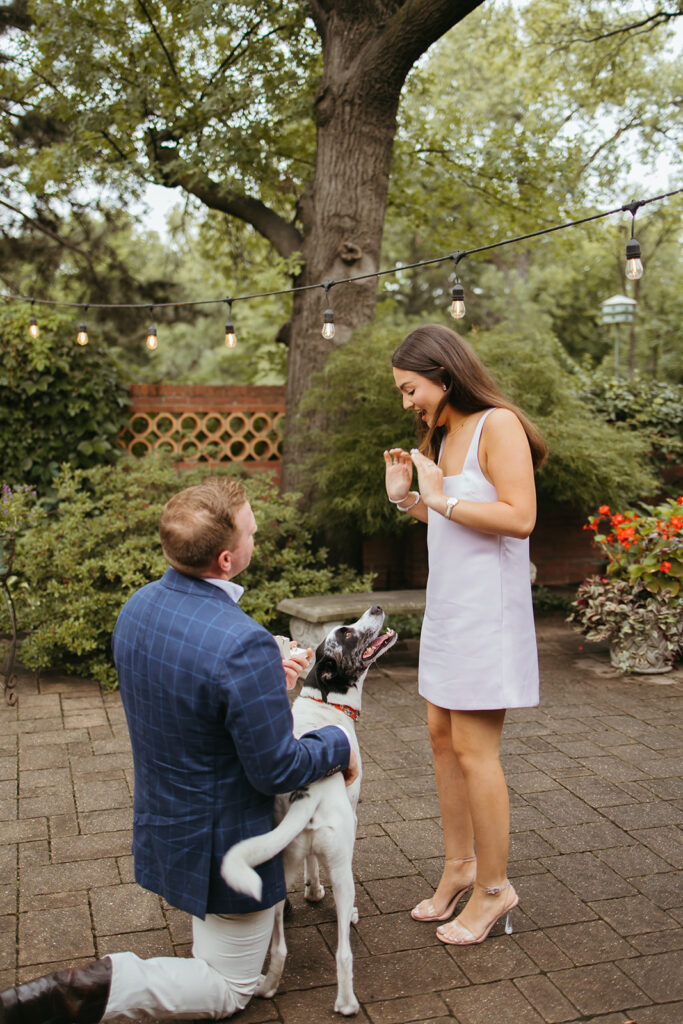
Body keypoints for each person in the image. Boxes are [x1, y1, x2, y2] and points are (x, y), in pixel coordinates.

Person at [1, 476, 357, 1024]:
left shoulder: (138, 607)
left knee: (214, 948)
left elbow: (189, 705)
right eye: (252, 532)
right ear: (225, 557)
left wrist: (264, 688)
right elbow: (275, 769)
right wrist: (335, 740)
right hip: (224, 845)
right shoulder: (242, 643)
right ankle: (85, 989)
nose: (257, 537)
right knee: (229, 987)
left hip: (167, 826)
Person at [383, 324, 547, 946]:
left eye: (410, 389)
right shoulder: (443, 433)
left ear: (444, 374)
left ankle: (495, 888)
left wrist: (440, 500)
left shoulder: (496, 424)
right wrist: (408, 501)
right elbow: (451, 517)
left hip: (488, 616)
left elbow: (519, 517)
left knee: (478, 751)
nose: (408, 403)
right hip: (449, 607)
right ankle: (460, 866)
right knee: (441, 737)